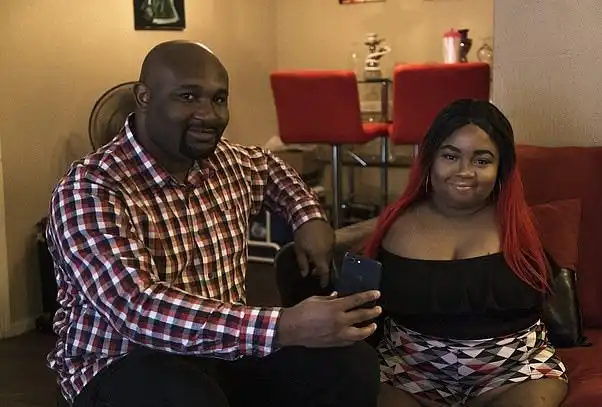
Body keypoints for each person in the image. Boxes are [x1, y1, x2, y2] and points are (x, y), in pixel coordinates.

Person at [45, 40, 382, 407]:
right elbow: (136, 308)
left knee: (349, 364)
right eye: (188, 97)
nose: (208, 114)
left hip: (221, 351)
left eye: (219, 99)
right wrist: (286, 326)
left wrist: (308, 216)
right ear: (144, 97)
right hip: (121, 363)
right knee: (183, 396)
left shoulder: (226, 162)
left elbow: (273, 171)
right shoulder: (90, 188)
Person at [362, 99, 568, 407]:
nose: (464, 172)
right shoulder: (394, 225)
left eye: (482, 161)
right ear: (430, 159)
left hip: (514, 372)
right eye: (450, 156)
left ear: (501, 169)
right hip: (406, 372)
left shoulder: (519, 226)